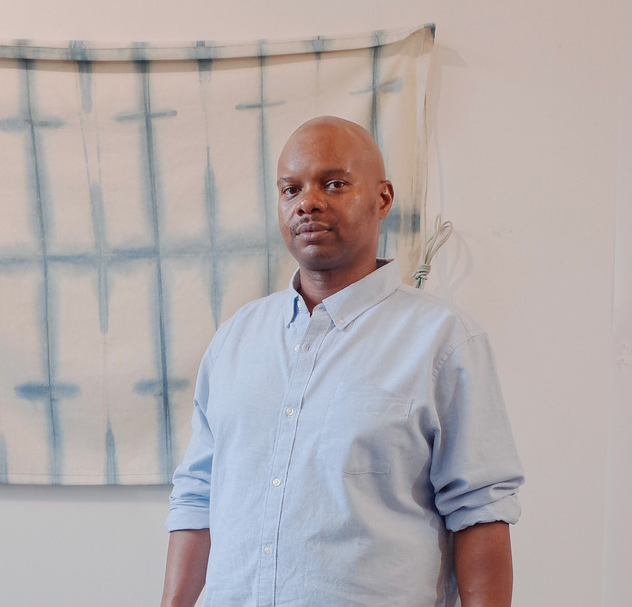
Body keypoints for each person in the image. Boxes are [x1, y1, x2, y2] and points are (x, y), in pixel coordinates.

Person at [161, 116, 524, 607]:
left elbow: (480, 510)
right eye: (291, 189)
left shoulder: (443, 341)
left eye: (334, 184)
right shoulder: (235, 339)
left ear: (383, 199)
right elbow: (197, 496)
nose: (307, 202)